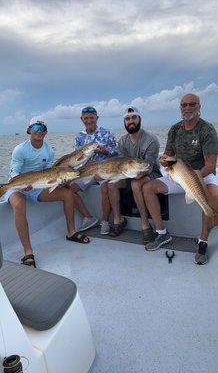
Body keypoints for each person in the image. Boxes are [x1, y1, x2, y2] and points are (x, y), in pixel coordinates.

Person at [143, 93, 218, 265]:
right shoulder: (175, 129)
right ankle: (162, 234)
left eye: (192, 104)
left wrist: (195, 177)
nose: (187, 108)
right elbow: (168, 154)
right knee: (147, 188)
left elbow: (211, 164)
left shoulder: (207, 130)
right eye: (184, 105)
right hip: (177, 173)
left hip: (202, 174)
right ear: (180, 108)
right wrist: (164, 159)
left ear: (199, 107)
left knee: (213, 195)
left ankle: (203, 242)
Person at [6, 117, 90, 268]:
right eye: (37, 127)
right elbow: (14, 172)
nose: (40, 131)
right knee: (18, 204)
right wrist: (22, 185)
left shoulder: (49, 150)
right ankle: (28, 253)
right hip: (18, 185)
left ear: (46, 132)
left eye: (43, 128)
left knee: (68, 194)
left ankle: (71, 233)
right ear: (29, 130)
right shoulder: (20, 149)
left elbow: (51, 172)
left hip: (37, 187)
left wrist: (61, 180)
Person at [108, 106, 161, 238]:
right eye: (127, 119)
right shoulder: (122, 141)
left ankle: (145, 224)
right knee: (110, 184)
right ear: (124, 122)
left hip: (150, 174)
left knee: (136, 184)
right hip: (128, 174)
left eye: (133, 118)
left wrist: (139, 175)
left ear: (139, 119)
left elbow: (149, 166)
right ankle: (118, 220)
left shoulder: (151, 139)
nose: (131, 121)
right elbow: (120, 165)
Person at [71, 106, 118, 235]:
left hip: (104, 170)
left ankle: (105, 222)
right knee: (69, 189)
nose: (89, 120)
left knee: (105, 189)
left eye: (91, 117)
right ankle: (88, 217)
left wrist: (106, 151)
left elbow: (117, 152)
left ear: (97, 118)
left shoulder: (106, 133)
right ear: (82, 119)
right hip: (87, 172)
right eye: (86, 118)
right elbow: (76, 159)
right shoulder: (79, 137)